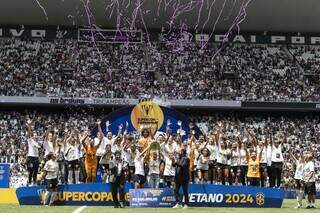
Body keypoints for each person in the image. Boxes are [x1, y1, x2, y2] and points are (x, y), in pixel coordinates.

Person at [26, 119, 41, 186]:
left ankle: (34, 182)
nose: (35, 136)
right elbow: (29, 133)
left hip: (36, 158)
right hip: (31, 157)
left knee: (36, 171)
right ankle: (29, 182)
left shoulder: (37, 143)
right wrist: (29, 125)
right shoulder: (30, 140)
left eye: (36, 135)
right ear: (32, 136)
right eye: (34, 135)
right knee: (31, 171)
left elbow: (38, 150)